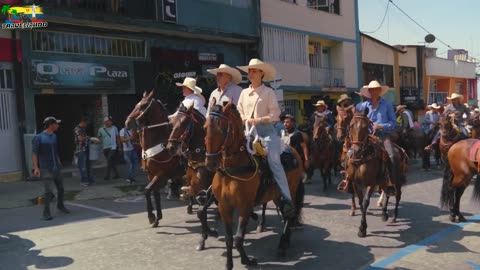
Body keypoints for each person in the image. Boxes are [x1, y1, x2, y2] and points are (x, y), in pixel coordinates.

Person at [237, 58, 295, 218]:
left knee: (274, 161)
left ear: (262, 73)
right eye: (249, 70)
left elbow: (275, 114)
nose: (250, 73)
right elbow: (239, 110)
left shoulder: (268, 92)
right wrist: (243, 118)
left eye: (254, 70)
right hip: (247, 132)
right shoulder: (243, 92)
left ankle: (286, 198)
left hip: (266, 132)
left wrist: (259, 119)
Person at [341, 80, 397, 194]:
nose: (374, 92)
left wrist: (380, 126)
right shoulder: (362, 106)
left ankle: (390, 182)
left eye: (376, 89)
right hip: (366, 137)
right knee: (348, 154)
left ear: (380, 91)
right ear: (369, 92)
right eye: (372, 90)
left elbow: (393, 122)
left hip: (382, 135)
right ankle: (347, 180)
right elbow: (355, 116)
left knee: (391, 155)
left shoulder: (387, 104)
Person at [32, 117, 70, 220]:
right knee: (48, 192)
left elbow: (55, 150)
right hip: (45, 168)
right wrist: (36, 167)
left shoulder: (54, 136)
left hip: (56, 168)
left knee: (61, 189)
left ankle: (60, 205)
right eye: (56, 124)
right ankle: (46, 213)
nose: (58, 125)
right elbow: (34, 153)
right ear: (50, 125)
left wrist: (58, 160)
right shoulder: (39, 137)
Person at [97, 116, 120, 180]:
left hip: (113, 147)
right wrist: (96, 141)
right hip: (105, 148)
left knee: (109, 160)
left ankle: (107, 176)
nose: (111, 122)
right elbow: (98, 138)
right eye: (109, 121)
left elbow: (117, 138)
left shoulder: (114, 128)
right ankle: (117, 174)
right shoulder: (101, 129)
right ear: (105, 122)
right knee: (111, 162)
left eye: (111, 121)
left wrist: (120, 147)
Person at [74, 117, 94, 186]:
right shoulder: (77, 129)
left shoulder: (83, 129)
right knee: (83, 166)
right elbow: (80, 139)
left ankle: (89, 179)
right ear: (82, 122)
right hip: (81, 150)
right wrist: (87, 137)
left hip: (86, 148)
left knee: (88, 165)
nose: (86, 125)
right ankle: (84, 180)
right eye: (86, 123)